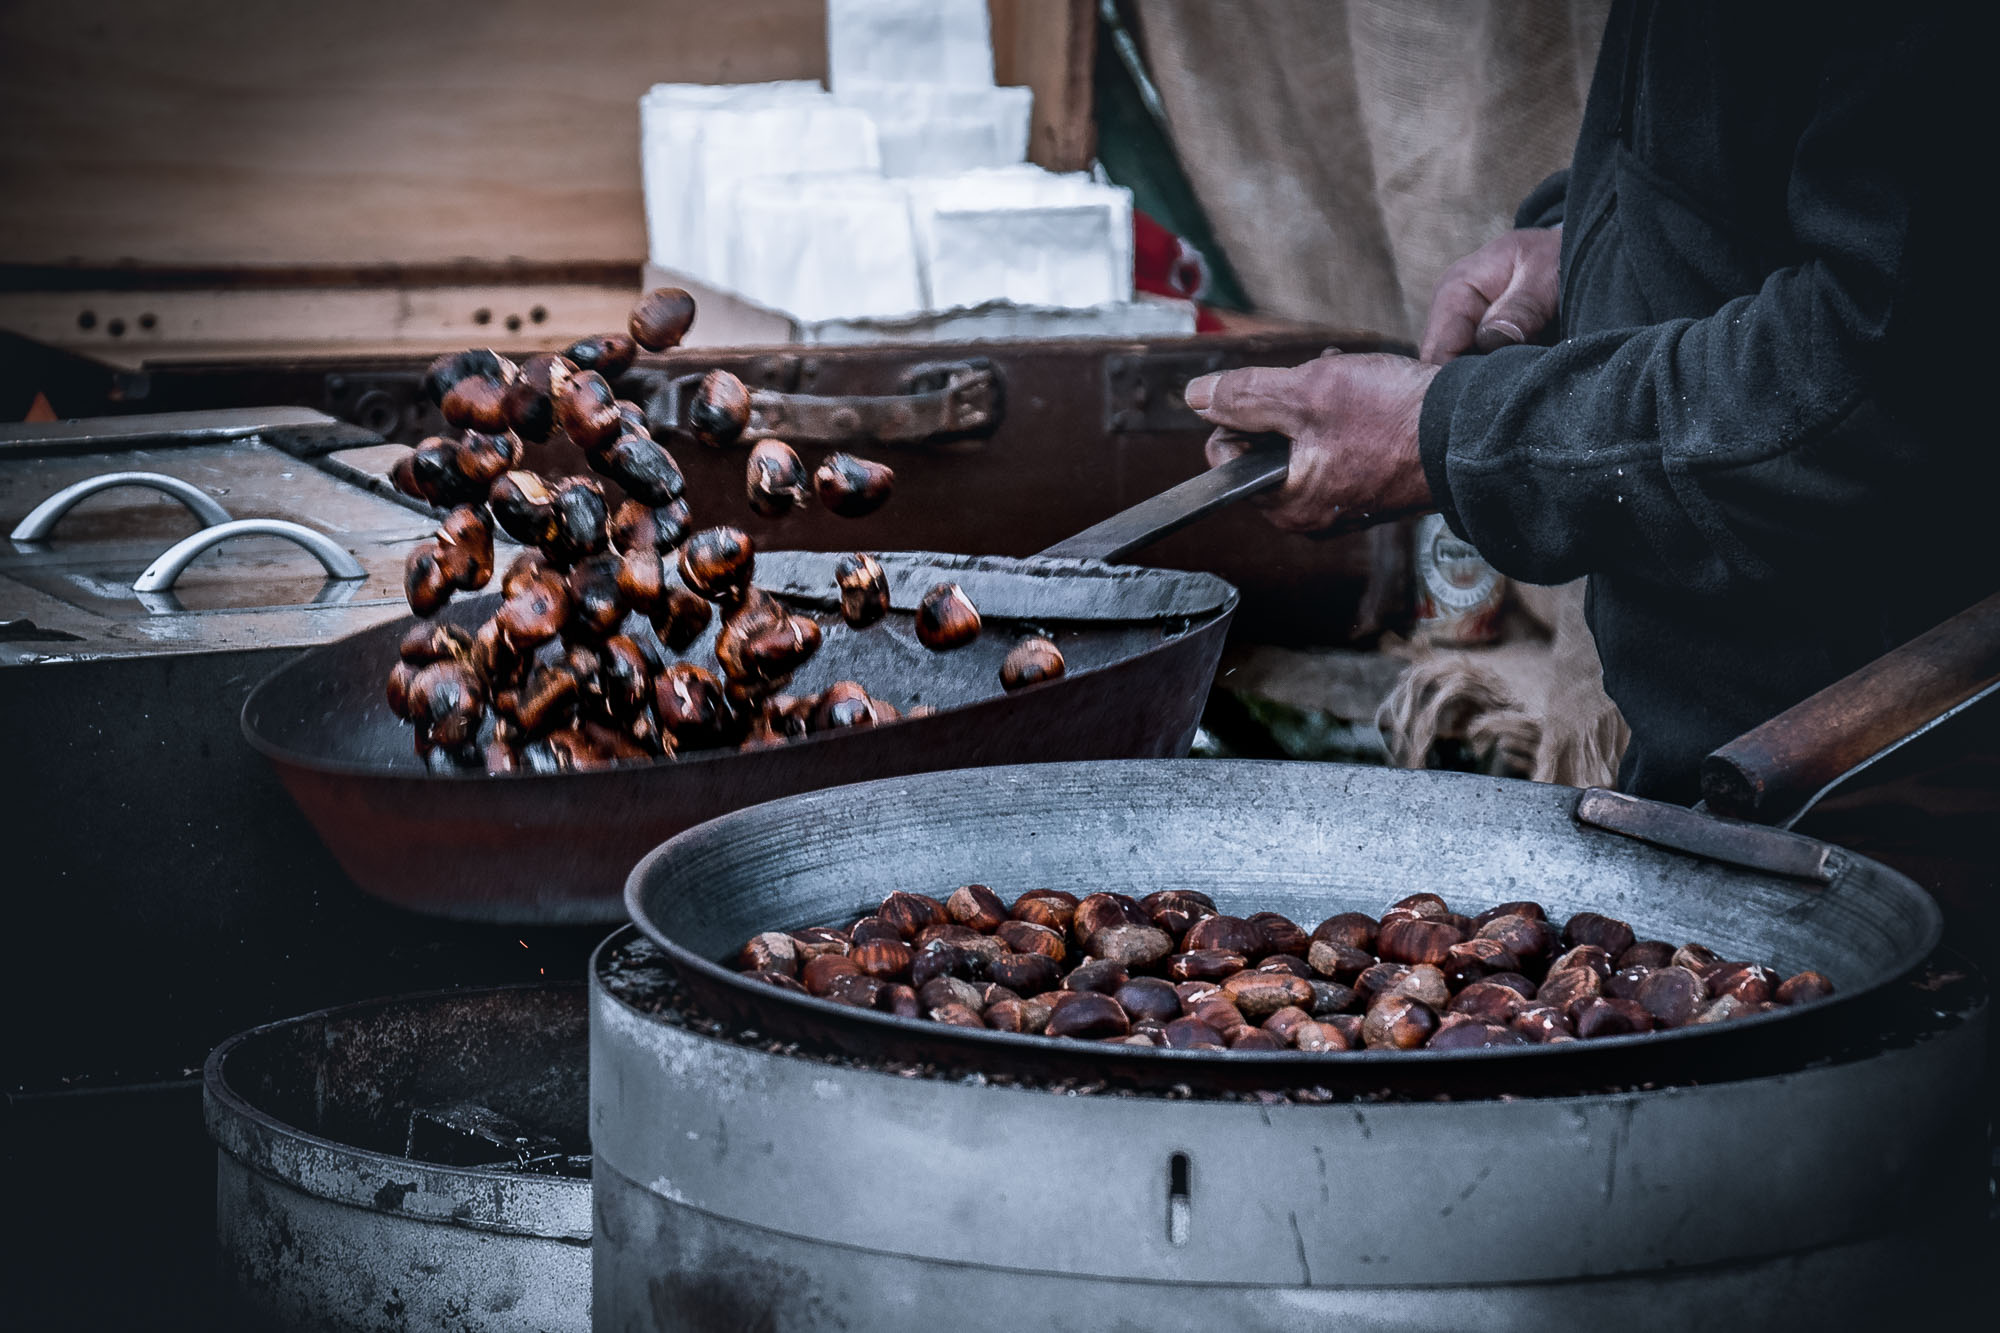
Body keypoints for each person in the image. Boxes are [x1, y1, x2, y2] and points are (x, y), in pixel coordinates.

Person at [1182, 1, 1983, 805]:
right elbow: (1744, 151)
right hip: (1711, 749)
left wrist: (1451, 429)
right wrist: (1590, 248)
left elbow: (1877, 368)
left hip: (1879, 772)